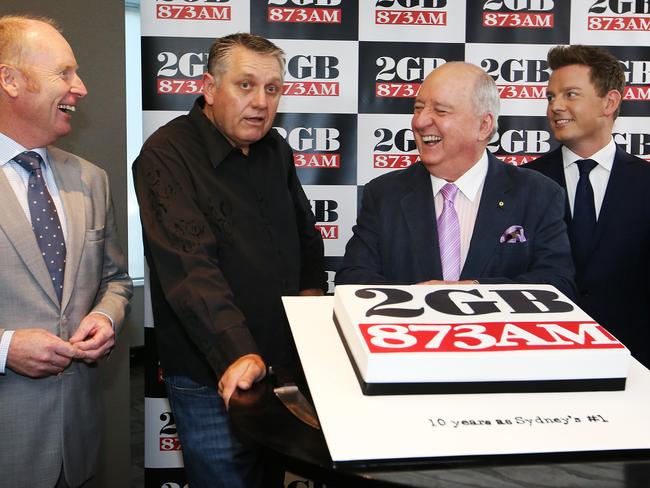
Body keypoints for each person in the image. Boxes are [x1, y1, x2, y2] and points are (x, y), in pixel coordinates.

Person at [133, 33, 325, 488]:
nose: (260, 102)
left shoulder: (275, 148)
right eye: (245, 85)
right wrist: (238, 355)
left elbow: (304, 233)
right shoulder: (166, 154)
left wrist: (310, 311)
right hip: (214, 373)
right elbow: (189, 268)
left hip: (280, 368)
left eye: (272, 89)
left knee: (268, 477)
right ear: (209, 87)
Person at [0, 15, 133, 488]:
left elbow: (115, 281)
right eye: (65, 73)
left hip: (77, 447)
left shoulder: (91, 179)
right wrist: (5, 348)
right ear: (10, 79)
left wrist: (106, 317)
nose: (81, 87)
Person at [336, 62, 575, 298]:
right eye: (418, 108)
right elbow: (352, 279)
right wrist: (416, 299)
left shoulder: (538, 194)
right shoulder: (384, 194)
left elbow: (557, 283)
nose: (419, 122)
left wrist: (473, 292)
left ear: (484, 125)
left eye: (440, 111)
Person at [526, 45, 650, 368]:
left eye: (570, 94)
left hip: (634, 368)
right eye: (551, 97)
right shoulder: (524, 183)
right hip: (540, 360)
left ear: (609, 102)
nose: (556, 106)